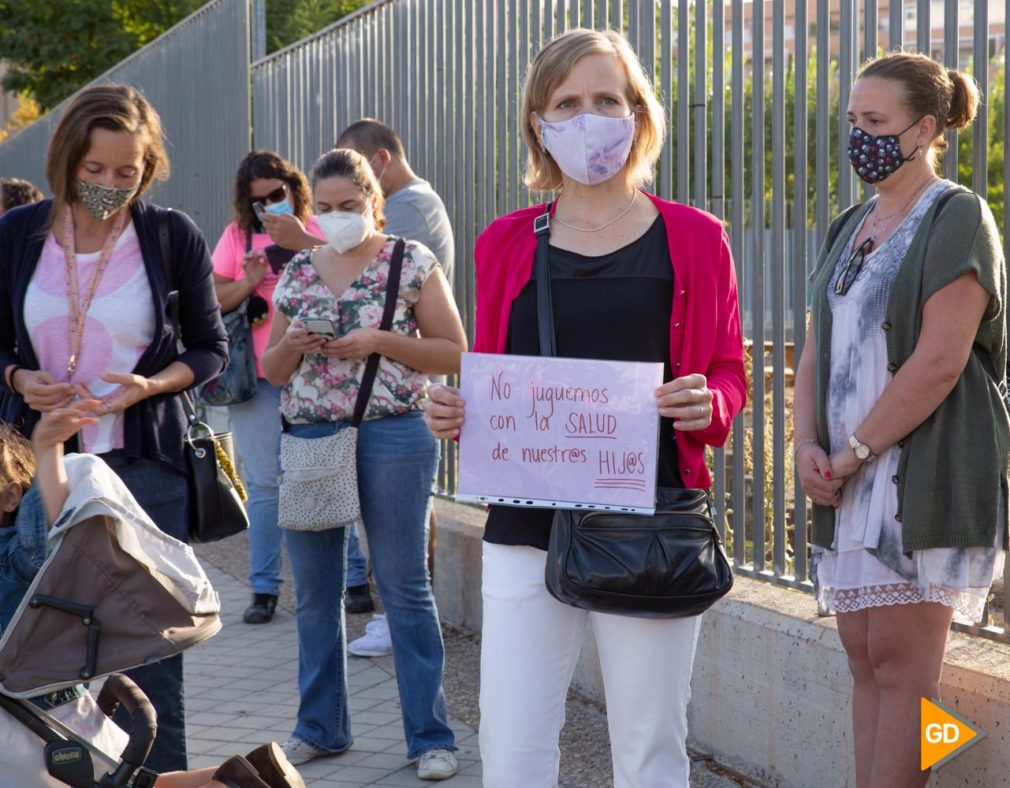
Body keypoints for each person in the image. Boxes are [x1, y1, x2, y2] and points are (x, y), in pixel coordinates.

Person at [422, 28, 747, 787]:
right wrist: (458, 410)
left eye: (607, 98)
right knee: (513, 741)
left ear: (638, 112)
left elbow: (729, 373)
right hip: (525, 525)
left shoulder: (696, 239)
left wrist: (709, 402)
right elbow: (499, 380)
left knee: (651, 744)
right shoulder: (505, 242)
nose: (588, 115)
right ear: (539, 122)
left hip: (655, 520)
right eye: (567, 102)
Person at [0, 83, 228, 773]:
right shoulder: (16, 234)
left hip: (142, 474)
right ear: (67, 161)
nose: (107, 186)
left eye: (126, 173)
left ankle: (168, 781)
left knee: (151, 666)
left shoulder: (169, 234)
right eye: (93, 171)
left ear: (148, 168)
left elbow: (209, 349)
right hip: (36, 476)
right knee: (35, 659)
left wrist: (150, 386)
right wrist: (16, 378)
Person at [794, 52, 1007, 788]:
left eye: (875, 122)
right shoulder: (850, 224)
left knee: (905, 669)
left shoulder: (956, 217)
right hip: (849, 476)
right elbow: (817, 349)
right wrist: (806, 447)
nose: (859, 136)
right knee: (865, 660)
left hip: (918, 477)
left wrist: (852, 451)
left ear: (923, 129)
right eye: (853, 121)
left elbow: (941, 363)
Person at [261, 148, 467, 780]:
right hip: (312, 436)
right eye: (322, 209)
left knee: (403, 585)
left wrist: (379, 340)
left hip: (394, 435)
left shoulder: (410, 261)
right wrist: (292, 345)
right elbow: (271, 371)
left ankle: (431, 738)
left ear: (374, 202)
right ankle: (319, 728)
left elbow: (452, 351)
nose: (335, 218)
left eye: (348, 207)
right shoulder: (298, 268)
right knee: (316, 593)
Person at [0, 406, 305, 788]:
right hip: (46, 703)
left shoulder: (14, 556)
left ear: (12, 496)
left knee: (125, 782)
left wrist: (47, 450)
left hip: (26, 720)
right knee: (133, 782)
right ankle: (246, 776)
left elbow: (47, 528)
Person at [335, 118, 456, 649]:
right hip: (383, 396)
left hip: (402, 398)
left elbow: (443, 339)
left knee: (404, 527)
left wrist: (307, 241)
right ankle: (397, 614)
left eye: (355, 189)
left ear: (380, 161)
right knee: (398, 522)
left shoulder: (409, 210)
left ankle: (399, 619)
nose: (342, 216)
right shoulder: (416, 204)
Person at [211, 150, 324, 626]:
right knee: (262, 484)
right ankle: (263, 589)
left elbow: (345, 284)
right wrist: (250, 282)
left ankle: (353, 581)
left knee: (322, 473)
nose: (270, 206)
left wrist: (300, 245)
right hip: (255, 377)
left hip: (315, 378)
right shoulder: (237, 236)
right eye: (259, 202)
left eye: (277, 195)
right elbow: (214, 297)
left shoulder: (318, 229)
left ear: (294, 187)